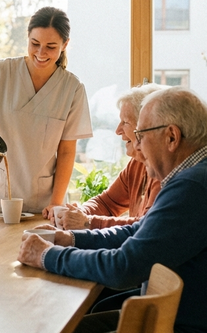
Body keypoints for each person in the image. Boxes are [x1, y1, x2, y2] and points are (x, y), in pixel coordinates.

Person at [18, 87, 207, 333]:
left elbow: (124, 268)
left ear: (171, 137)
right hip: (197, 326)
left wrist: (47, 255)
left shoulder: (195, 186)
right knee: (79, 327)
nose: (136, 146)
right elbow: (139, 231)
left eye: (140, 136)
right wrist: (71, 239)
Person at [0, 6, 93, 216]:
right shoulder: (1, 72)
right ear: (28, 38)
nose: (40, 53)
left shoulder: (72, 89)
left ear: (65, 45)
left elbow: (67, 151)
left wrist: (56, 202)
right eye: (35, 43)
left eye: (50, 46)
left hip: (43, 203)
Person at [55, 83, 167, 231]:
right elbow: (107, 202)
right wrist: (79, 213)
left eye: (125, 122)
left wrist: (88, 222)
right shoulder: (136, 163)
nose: (117, 130)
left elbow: (144, 227)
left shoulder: (164, 171)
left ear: (145, 125)